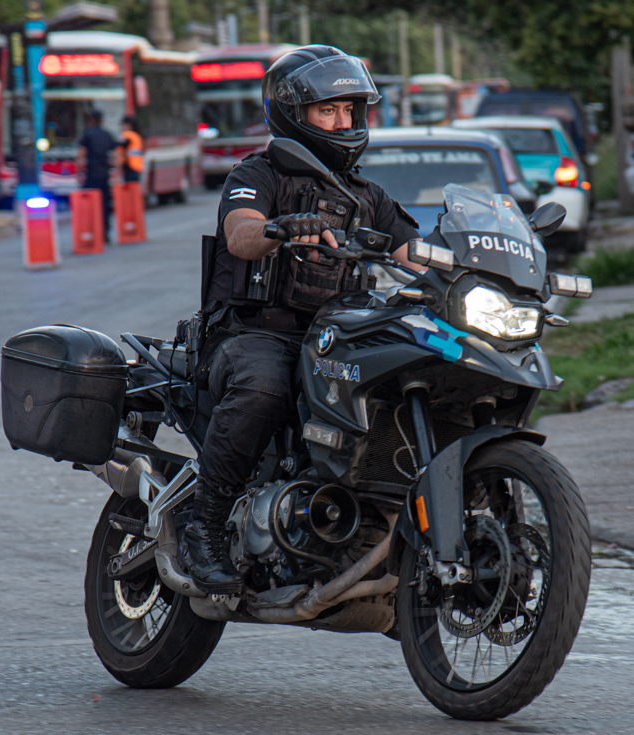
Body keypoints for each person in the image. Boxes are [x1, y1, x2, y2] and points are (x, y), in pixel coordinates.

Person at [181, 46, 425, 594]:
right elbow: (241, 233)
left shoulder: (368, 196)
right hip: (255, 334)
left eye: (350, 112)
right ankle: (206, 527)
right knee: (265, 387)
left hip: (336, 339)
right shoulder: (258, 173)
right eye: (328, 112)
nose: (343, 123)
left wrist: (476, 266)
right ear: (295, 113)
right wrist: (281, 226)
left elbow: (417, 255)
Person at [76, 110, 116, 244]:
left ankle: (92, 232)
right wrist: (115, 171)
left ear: (90, 120)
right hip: (105, 175)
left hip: (91, 175)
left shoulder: (87, 135)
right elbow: (115, 154)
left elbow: (81, 155)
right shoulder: (107, 135)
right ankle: (105, 233)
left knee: (90, 206)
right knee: (105, 205)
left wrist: (78, 173)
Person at [116, 115, 144, 184]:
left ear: (128, 126)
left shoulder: (126, 134)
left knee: (130, 189)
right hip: (137, 167)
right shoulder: (136, 136)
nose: (121, 127)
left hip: (129, 167)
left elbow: (118, 146)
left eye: (122, 125)